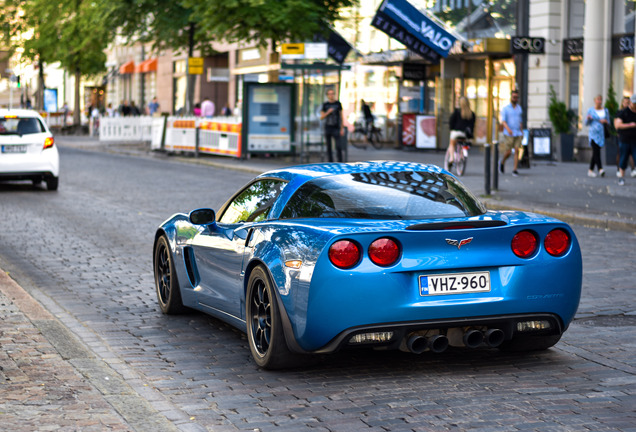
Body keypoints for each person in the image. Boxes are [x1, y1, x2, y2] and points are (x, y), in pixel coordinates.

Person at [446, 96, 475, 171]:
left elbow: (451, 122)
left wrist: (451, 129)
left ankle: (451, 158)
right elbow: (472, 126)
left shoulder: (457, 112)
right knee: (462, 143)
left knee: (451, 144)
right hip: (465, 134)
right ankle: (461, 156)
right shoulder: (471, 114)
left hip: (456, 132)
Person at [499, 90, 523, 176]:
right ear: (511, 97)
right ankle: (502, 162)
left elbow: (520, 121)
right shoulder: (506, 109)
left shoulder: (519, 108)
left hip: (517, 133)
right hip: (509, 133)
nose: (515, 99)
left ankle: (515, 169)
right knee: (508, 152)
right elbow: (503, 121)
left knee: (517, 150)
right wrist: (508, 129)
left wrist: (522, 131)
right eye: (514, 97)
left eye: (517, 97)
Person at [584, 94, 609, 177]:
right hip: (593, 134)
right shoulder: (590, 110)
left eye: (601, 99)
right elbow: (586, 123)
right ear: (595, 100)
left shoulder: (605, 110)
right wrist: (588, 118)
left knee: (596, 152)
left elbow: (608, 122)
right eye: (598, 99)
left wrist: (604, 121)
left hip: (601, 134)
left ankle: (590, 170)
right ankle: (600, 169)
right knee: (596, 151)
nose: (599, 101)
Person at [614, 93, 636, 186]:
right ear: (631, 102)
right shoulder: (624, 112)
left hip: (635, 140)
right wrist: (629, 125)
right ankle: (621, 178)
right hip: (625, 139)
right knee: (623, 158)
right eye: (634, 103)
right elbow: (617, 125)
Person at [320, 89, 345, 162]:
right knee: (328, 146)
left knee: (338, 146)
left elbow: (341, 117)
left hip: (336, 127)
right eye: (329, 94)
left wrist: (341, 128)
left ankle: (340, 161)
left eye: (332, 94)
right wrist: (328, 112)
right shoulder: (325, 105)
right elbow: (322, 117)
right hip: (328, 127)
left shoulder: (338, 104)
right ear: (327, 95)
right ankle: (330, 162)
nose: (331, 95)